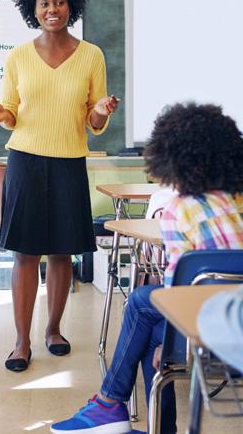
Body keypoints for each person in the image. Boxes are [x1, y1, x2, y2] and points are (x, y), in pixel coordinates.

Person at [50, 102, 243, 434]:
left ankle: (110, 405)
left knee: (140, 304)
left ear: (168, 158)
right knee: (146, 332)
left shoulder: (178, 209)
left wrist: (165, 344)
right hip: (236, 324)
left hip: (207, 334)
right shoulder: (227, 202)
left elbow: (178, 293)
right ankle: (115, 408)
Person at [0, 0, 119, 372]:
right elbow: (11, 112)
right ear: (33, 9)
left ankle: (53, 330)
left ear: (70, 6)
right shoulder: (19, 56)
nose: (52, 9)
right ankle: (21, 340)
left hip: (69, 161)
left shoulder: (91, 55)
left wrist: (99, 111)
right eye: (44, 3)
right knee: (26, 253)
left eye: (59, 2)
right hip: (25, 160)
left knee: (62, 251)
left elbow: (93, 120)